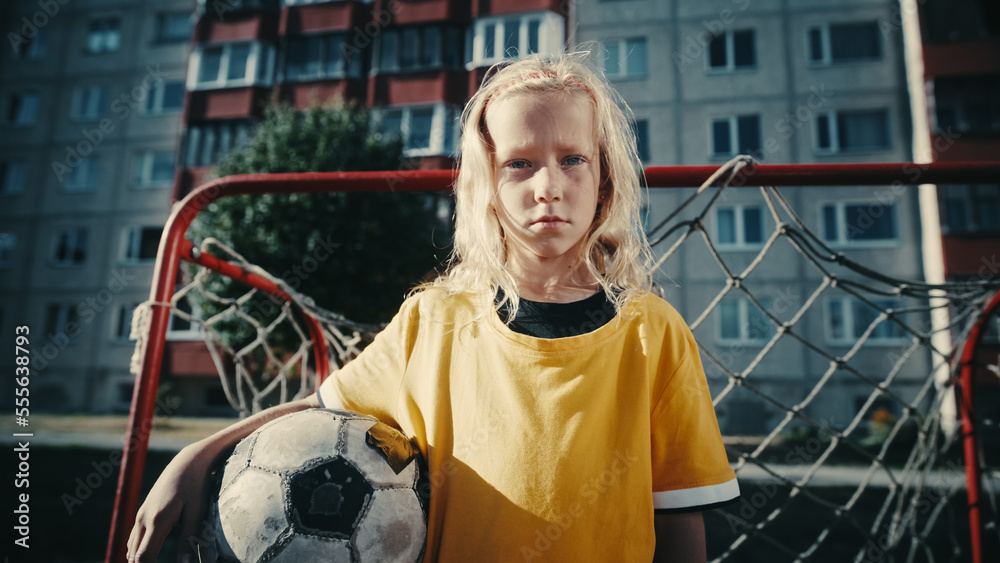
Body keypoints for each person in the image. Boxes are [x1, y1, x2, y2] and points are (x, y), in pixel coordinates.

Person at [127, 52, 739, 563]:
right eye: (519, 163)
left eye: (572, 159)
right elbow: (314, 407)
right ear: (487, 187)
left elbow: (682, 522)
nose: (547, 184)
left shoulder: (652, 333)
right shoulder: (435, 321)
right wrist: (192, 457)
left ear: (604, 180)